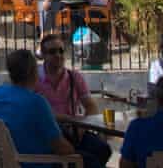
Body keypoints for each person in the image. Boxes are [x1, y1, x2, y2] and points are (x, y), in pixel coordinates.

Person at [0, 50, 77, 162]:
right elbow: (62, 148)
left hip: (13, 160)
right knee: (90, 157)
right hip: (39, 162)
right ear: (33, 73)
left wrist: (11, 137)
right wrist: (74, 150)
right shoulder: (36, 102)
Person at [35, 34, 111, 167]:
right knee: (90, 162)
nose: (58, 55)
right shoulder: (35, 80)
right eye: (52, 52)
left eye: (61, 50)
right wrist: (65, 119)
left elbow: (90, 106)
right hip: (50, 134)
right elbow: (34, 112)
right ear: (43, 55)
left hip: (74, 130)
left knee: (103, 149)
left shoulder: (74, 77)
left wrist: (82, 128)